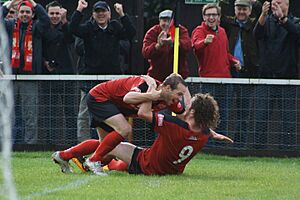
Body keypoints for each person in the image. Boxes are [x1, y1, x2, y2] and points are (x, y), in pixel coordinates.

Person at [53, 93, 233, 175]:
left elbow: (143, 114)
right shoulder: (203, 135)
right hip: (167, 168)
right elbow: (203, 130)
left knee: (110, 144)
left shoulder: (174, 126)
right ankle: (93, 163)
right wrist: (213, 133)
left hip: (146, 163)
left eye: (189, 107)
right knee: (118, 161)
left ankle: (64, 155)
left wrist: (151, 93)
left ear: (193, 113)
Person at [52, 73, 192, 175]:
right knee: (125, 129)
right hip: (99, 97)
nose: (179, 99)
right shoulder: (145, 85)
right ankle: (93, 161)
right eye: (179, 94)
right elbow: (128, 97)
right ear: (167, 88)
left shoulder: (169, 99)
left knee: (106, 145)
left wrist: (203, 131)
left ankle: (63, 156)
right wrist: (152, 95)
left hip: (113, 106)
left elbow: (185, 117)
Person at [253, 0, 300, 149]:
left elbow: (296, 34)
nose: (276, 5)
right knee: (260, 117)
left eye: (279, 2)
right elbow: (256, 35)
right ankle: (257, 151)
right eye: (274, 2)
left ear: (287, 5)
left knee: (289, 120)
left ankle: (287, 152)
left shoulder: (295, 21)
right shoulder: (266, 21)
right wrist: (263, 14)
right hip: (266, 79)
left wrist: (283, 19)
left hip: (288, 80)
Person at [2, 0, 50, 144]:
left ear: (32, 14)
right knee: (8, 115)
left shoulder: (37, 28)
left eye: (27, 12)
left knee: (30, 115)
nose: (24, 15)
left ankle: (30, 145)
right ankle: (8, 145)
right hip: (10, 77)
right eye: (22, 12)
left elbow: (46, 20)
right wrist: (8, 4)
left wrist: (33, 3)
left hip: (30, 78)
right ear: (17, 13)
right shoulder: (10, 26)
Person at [191, 3, 241, 134]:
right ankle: (208, 145)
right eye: (208, 15)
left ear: (219, 17)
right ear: (203, 17)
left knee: (223, 116)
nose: (211, 17)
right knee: (208, 116)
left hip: (226, 81)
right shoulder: (199, 31)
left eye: (214, 14)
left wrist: (234, 60)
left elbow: (225, 53)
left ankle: (222, 147)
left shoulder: (222, 31)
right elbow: (195, 46)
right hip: (209, 82)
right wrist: (205, 42)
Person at [219, 0, 261, 147]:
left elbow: (263, 11)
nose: (241, 12)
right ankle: (220, 144)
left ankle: (239, 145)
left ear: (250, 11)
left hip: (247, 73)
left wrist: (254, 2)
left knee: (243, 112)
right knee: (223, 110)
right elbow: (221, 8)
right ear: (234, 10)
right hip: (229, 72)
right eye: (239, 9)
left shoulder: (254, 25)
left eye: (245, 9)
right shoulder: (229, 24)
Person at [40, 1, 77, 145]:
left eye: (57, 13)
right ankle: (50, 142)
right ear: (47, 14)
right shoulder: (41, 29)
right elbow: (38, 49)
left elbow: (70, 39)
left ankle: (72, 142)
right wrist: (44, 62)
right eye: (52, 14)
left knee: (70, 111)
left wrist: (65, 20)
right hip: (48, 76)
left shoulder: (65, 27)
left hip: (67, 75)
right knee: (49, 112)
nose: (54, 16)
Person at [69, 0, 136, 75]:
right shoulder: (89, 27)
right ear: (93, 15)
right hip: (92, 75)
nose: (100, 14)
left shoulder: (115, 26)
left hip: (112, 75)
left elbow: (131, 33)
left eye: (103, 11)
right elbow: (72, 29)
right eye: (97, 11)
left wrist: (122, 14)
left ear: (109, 14)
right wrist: (79, 9)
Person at [142, 9, 191, 82]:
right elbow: (145, 52)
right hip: (156, 78)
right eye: (164, 21)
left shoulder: (180, 30)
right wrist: (158, 46)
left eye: (169, 21)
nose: (167, 24)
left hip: (178, 78)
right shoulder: (153, 32)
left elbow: (188, 46)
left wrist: (174, 42)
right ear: (159, 21)